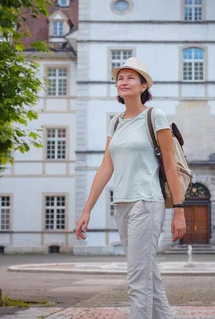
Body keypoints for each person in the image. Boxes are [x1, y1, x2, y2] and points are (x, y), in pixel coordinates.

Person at [75, 57, 186, 319]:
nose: (123, 82)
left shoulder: (155, 116)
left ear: (143, 85)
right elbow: (106, 168)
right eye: (119, 78)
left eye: (130, 78)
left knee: (137, 278)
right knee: (148, 273)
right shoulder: (115, 122)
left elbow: (171, 167)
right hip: (122, 204)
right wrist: (87, 210)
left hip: (147, 202)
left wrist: (179, 210)